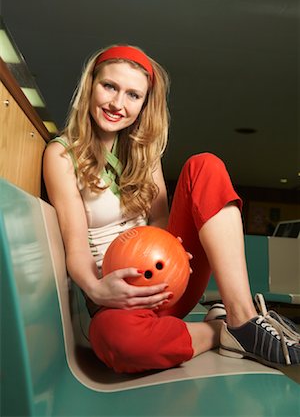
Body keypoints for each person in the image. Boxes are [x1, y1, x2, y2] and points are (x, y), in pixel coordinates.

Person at [43, 44, 300, 374]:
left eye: (133, 95)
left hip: (168, 281)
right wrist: (97, 289)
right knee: (119, 343)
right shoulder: (62, 155)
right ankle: (221, 330)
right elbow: (75, 246)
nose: (117, 104)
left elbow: (161, 222)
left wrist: (176, 252)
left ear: (144, 104)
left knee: (205, 165)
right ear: (90, 85)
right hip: (117, 300)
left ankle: (242, 316)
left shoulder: (144, 154)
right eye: (109, 86)